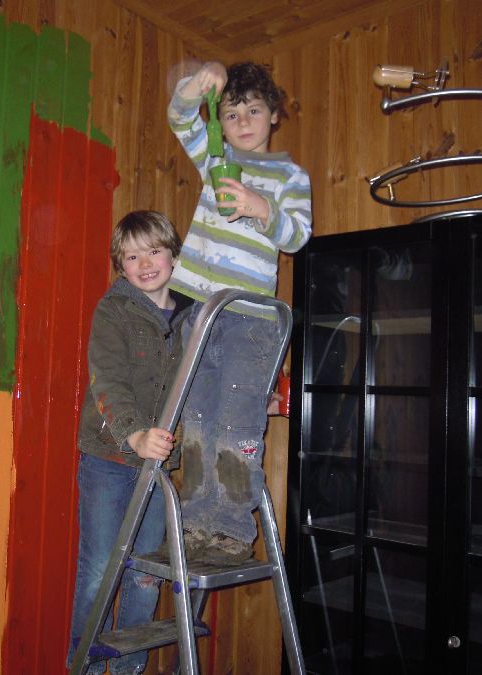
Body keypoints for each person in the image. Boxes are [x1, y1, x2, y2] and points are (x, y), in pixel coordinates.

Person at [167, 60, 313, 564]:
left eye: (253, 110)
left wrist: (260, 206)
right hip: (199, 313)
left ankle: (229, 528)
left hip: (250, 320)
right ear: (221, 124)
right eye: (231, 114)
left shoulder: (290, 175)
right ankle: (196, 524)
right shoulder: (216, 156)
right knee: (197, 420)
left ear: (274, 114)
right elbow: (180, 116)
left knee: (236, 424)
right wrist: (201, 78)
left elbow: (297, 235)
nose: (243, 121)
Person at [66, 210, 191, 675]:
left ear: (173, 256)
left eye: (154, 251)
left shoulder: (192, 316)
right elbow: (109, 380)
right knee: (101, 567)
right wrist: (134, 433)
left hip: (158, 466)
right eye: (132, 257)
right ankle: (84, 666)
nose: (145, 264)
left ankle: (128, 669)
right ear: (120, 266)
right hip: (109, 456)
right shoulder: (113, 310)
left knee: (145, 575)